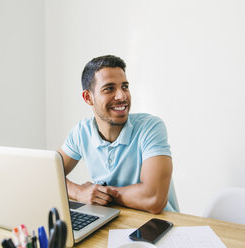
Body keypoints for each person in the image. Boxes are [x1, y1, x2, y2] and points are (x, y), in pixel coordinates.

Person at [58, 55, 179, 214]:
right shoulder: (81, 132)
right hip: (112, 221)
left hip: (159, 226)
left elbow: (154, 199)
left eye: (124, 86)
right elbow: (47, 174)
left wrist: (100, 193)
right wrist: (79, 192)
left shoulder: (150, 127)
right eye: (109, 88)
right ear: (88, 98)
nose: (122, 96)